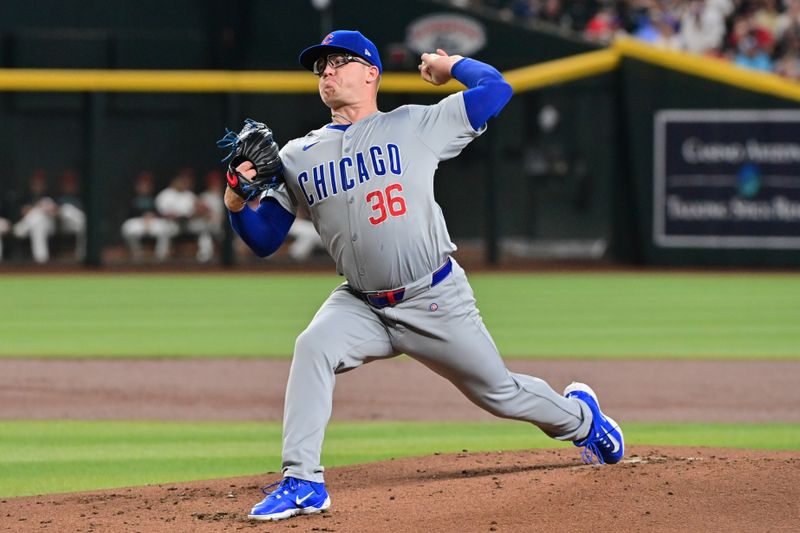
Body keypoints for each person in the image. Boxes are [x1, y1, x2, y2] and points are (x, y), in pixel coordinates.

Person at [223, 30, 624, 522]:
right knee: (313, 347)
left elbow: (497, 91)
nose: (327, 71)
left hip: (433, 296)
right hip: (361, 304)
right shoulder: (297, 155)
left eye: (339, 61)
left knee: (499, 393)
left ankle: (585, 421)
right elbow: (264, 240)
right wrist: (237, 198)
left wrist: (452, 65)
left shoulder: (414, 124)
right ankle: (302, 481)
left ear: (371, 71)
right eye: (320, 66)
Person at [121, 171, 175, 262]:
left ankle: (160, 256)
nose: (145, 187)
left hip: (153, 222)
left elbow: (160, 213)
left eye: (147, 185)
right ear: (137, 186)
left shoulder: (155, 198)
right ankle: (137, 254)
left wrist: (151, 216)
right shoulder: (131, 198)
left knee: (166, 228)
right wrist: (143, 217)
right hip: (138, 222)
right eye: (143, 185)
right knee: (127, 228)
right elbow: (128, 215)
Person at [12, 170, 58, 263]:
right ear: (31, 185)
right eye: (35, 184)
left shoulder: (50, 196)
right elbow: (22, 211)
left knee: (41, 210)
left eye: (40, 184)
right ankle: (41, 260)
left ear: (44, 185)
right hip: (34, 226)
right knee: (38, 221)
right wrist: (38, 207)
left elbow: (56, 213)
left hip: (49, 226)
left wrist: (40, 208)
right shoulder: (26, 197)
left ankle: (21, 228)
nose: (38, 187)